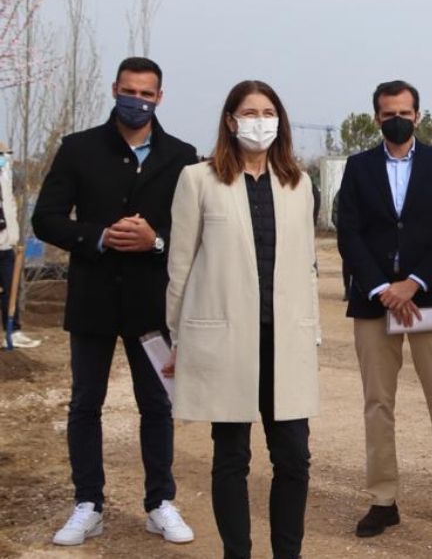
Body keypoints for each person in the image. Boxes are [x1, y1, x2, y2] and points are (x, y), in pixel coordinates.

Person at [33, 57, 196, 547]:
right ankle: (88, 502)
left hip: (152, 305)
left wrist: (157, 240)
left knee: (156, 405)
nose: (137, 101)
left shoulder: (182, 155)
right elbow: (47, 219)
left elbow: (194, 228)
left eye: (146, 94)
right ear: (114, 90)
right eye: (129, 91)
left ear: (160, 97)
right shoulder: (79, 148)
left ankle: (159, 502)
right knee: (86, 403)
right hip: (94, 299)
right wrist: (98, 236)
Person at [164, 80, 319, 559]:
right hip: (226, 339)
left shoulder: (298, 183)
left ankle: (287, 553)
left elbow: (308, 266)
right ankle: (238, 552)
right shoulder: (199, 179)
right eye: (249, 111)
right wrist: (177, 337)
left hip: (284, 340)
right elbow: (181, 265)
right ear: (230, 121)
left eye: (268, 111)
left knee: (293, 457)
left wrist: (312, 329)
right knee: (231, 456)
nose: (259, 120)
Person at [336, 80, 432, 537]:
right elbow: (349, 233)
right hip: (375, 303)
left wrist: (412, 284)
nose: (396, 118)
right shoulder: (359, 168)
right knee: (378, 404)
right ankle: (383, 499)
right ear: (377, 117)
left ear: (417, 115)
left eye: (404, 111)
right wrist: (382, 288)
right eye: (386, 112)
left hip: (429, 300)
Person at [0, 141, 40, 348]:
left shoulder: (5, 179)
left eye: (6, 155)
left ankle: (13, 331)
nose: (5, 158)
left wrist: (14, 238)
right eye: (2, 155)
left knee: (9, 289)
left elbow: (10, 210)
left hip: (6, 245)